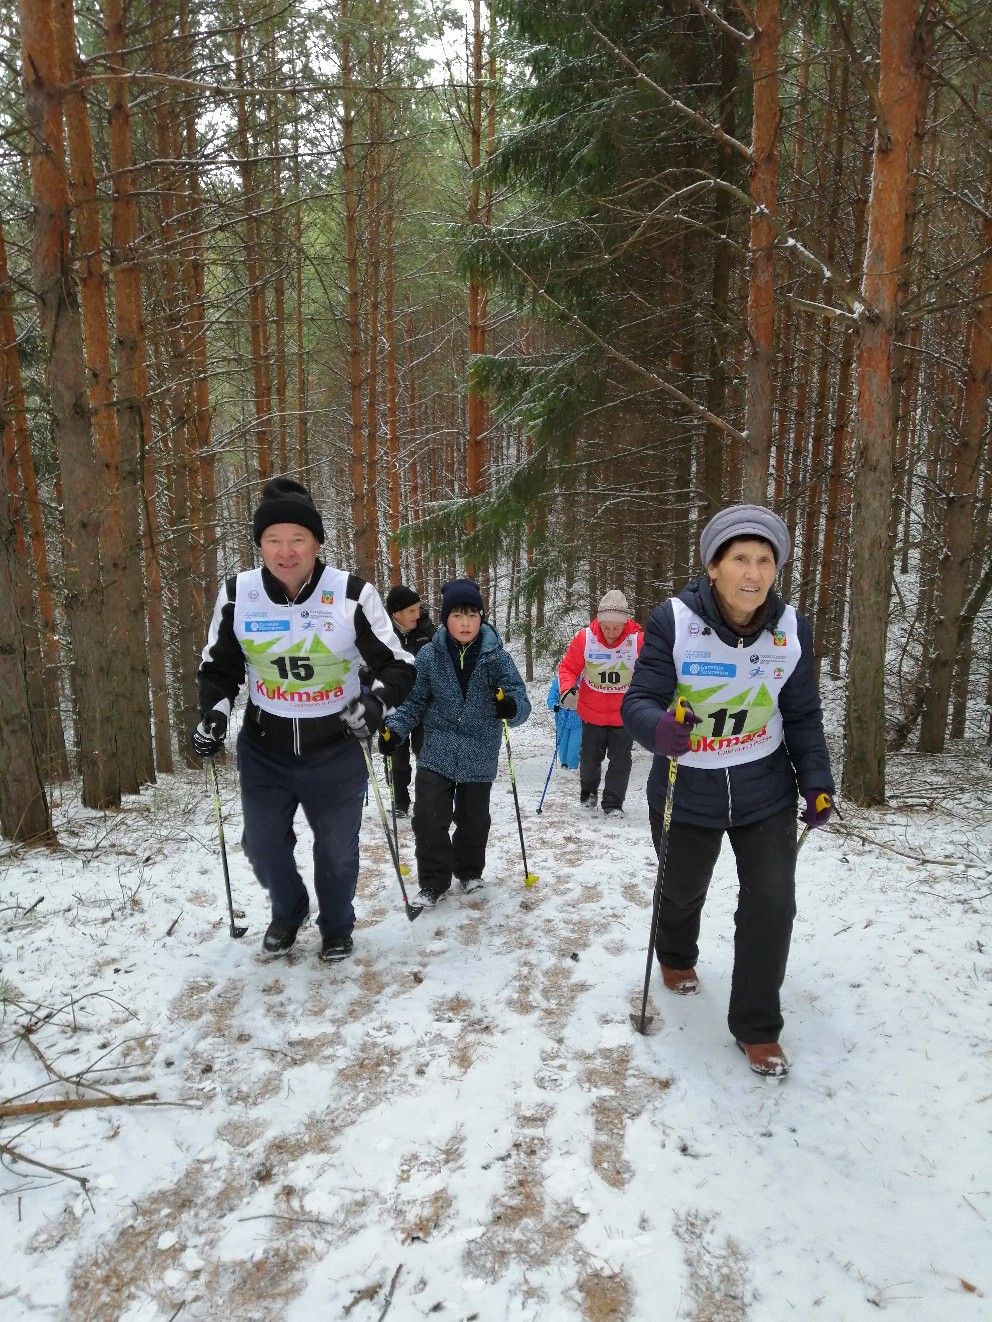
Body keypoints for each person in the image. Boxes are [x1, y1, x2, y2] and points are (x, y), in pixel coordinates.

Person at [621, 504, 834, 1077]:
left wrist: (815, 779)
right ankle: (676, 953)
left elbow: (803, 714)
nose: (753, 572)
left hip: (765, 788)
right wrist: (658, 728)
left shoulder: (790, 629)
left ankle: (758, 1027)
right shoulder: (673, 619)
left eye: (765, 560)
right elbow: (637, 700)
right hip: (687, 788)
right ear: (713, 567)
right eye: (740, 558)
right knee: (683, 889)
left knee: (772, 902)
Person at [192, 476, 415, 963]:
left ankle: (337, 924)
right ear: (260, 545)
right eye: (273, 540)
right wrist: (214, 711)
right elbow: (219, 668)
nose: (286, 552)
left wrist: (374, 706)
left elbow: (398, 666)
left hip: (334, 746)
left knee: (336, 851)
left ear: (316, 542)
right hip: (265, 746)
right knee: (261, 844)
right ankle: (288, 910)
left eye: (298, 539)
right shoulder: (237, 595)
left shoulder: (351, 595)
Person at [380, 577, 531, 906]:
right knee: (428, 820)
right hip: (437, 751)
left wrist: (511, 707)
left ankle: (469, 872)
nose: (465, 623)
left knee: (474, 821)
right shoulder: (429, 657)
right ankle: (433, 883)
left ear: (482, 618)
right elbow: (413, 701)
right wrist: (394, 729)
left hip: (480, 752)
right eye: (457, 616)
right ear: (446, 619)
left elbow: (522, 703)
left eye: (472, 615)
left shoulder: (496, 658)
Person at [558, 590, 644, 816]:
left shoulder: (637, 640)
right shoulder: (585, 638)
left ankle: (613, 804)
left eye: (616, 628)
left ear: (625, 623)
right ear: (599, 621)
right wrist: (567, 689)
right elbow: (568, 668)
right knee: (589, 761)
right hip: (592, 713)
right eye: (606, 627)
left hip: (624, 715)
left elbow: (650, 671)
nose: (611, 633)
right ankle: (588, 794)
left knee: (620, 762)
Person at [381, 584, 434, 816]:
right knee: (396, 755)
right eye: (411, 611)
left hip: (424, 703)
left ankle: (429, 799)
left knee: (426, 753)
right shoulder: (380, 633)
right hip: (393, 703)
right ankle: (400, 801)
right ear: (396, 614)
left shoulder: (429, 632)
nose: (417, 614)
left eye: (418, 609)